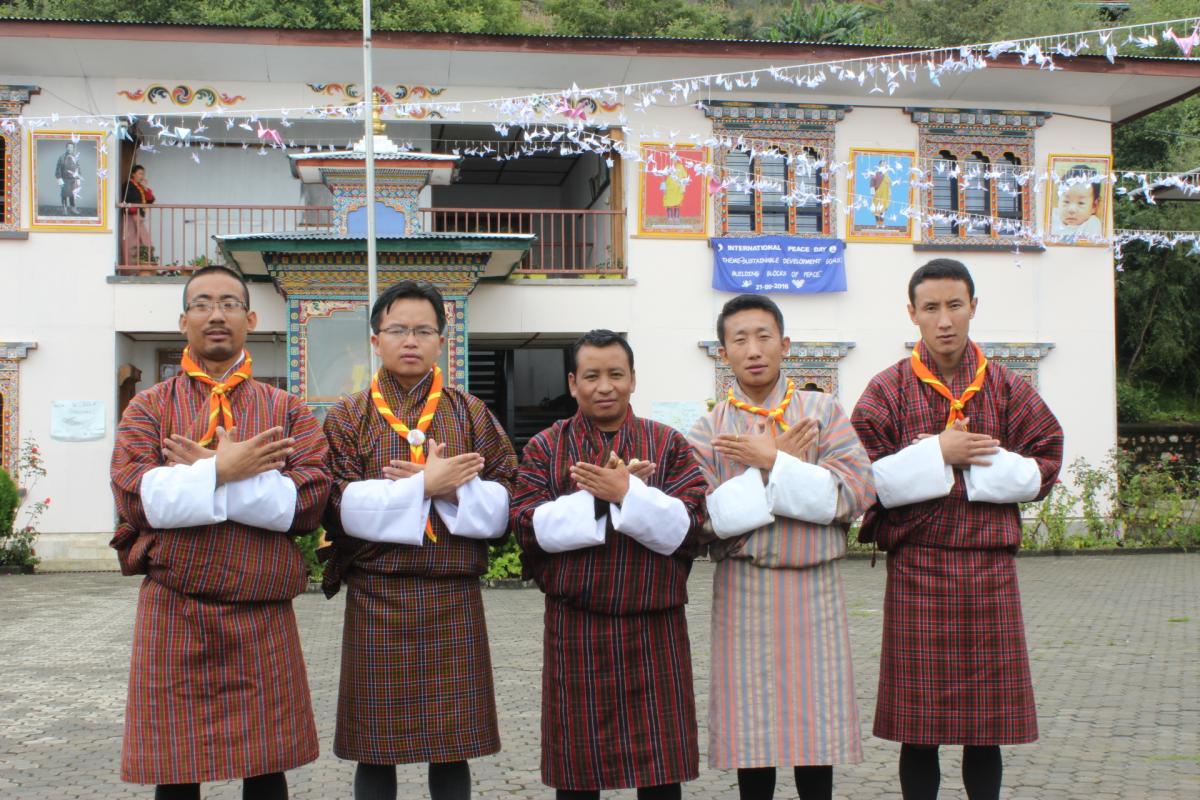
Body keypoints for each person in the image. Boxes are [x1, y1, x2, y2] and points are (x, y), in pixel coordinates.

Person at [110, 264, 330, 799]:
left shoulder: (286, 409)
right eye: (203, 304)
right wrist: (225, 471)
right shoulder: (149, 406)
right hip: (174, 606)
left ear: (250, 319)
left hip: (261, 607)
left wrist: (208, 474)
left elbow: (310, 499)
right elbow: (133, 494)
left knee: (266, 765)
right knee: (177, 770)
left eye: (229, 303)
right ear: (183, 320)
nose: (216, 315)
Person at [850, 258, 1064, 800]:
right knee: (918, 730)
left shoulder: (1009, 387)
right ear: (912, 314)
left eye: (954, 305)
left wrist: (978, 464)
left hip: (989, 572)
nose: (944, 320)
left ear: (973, 307)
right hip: (918, 570)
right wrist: (938, 453)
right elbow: (861, 476)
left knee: (983, 730)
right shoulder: (888, 389)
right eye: (930, 308)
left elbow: (1047, 461)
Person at [320, 280, 517, 800]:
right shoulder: (347, 417)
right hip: (376, 595)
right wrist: (426, 486)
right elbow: (332, 504)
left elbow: (511, 496)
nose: (411, 340)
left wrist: (456, 493)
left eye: (423, 330)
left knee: (452, 746)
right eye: (398, 329)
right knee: (374, 747)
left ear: (441, 341)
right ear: (375, 340)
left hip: (451, 593)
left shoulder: (472, 413)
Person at [687, 295, 875, 800]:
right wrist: (766, 468)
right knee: (754, 731)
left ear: (784, 344)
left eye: (763, 336)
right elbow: (702, 520)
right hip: (745, 587)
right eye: (739, 339)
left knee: (817, 730)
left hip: (816, 585)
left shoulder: (823, 410)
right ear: (723, 352)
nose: (753, 350)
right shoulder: (709, 432)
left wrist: (777, 462)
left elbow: (856, 491)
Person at [510, 329, 708, 800]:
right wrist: (601, 501)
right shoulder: (545, 446)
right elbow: (526, 523)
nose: (605, 386)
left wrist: (628, 494)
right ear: (573, 382)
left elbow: (692, 523)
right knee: (578, 773)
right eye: (593, 375)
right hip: (576, 626)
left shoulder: (667, 444)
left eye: (616, 374)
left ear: (633, 380)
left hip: (654, 625)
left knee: (660, 772)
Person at [1050, 164, 1103, 240]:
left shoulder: (1092, 225)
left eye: (1081, 203)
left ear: (1094, 206)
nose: (1072, 210)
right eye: (1066, 201)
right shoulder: (1051, 217)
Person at [123, 164, 156, 265]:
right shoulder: (129, 185)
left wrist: (146, 189)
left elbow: (150, 200)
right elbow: (128, 198)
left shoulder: (140, 187)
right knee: (132, 241)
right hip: (131, 216)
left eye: (143, 174)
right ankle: (132, 267)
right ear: (133, 174)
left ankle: (145, 264)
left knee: (144, 241)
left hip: (139, 216)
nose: (142, 176)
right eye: (140, 173)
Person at [55, 142, 82, 216]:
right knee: (64, 194)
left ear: (73, 148)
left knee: (73, 194)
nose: (70, 149)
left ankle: (73, 207)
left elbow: (78, 168)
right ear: (66, 148)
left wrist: (78, 178)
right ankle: (64, 208)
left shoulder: (75, 157)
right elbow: (58, 169)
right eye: (69, 147)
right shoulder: (62, 157)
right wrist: (59, 179)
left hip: (73, 180)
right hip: (64, 179)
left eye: (71, 147)